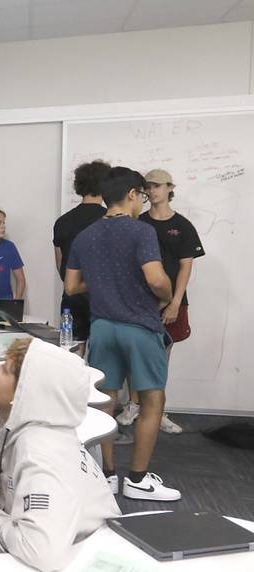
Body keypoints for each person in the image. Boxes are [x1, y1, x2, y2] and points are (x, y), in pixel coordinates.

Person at [0, 338, 121, 572]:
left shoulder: (39, 453)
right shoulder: (13, 414)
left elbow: (41, 553)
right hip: (30, 550)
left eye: (5, 370)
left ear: (25, 393)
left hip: (66, 566)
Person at [65, 166, 180, 502]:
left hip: (102, 329)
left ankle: (107, 475)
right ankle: (138, 479)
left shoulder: (85, 236)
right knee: (152, 401)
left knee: (105, 402)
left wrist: (102, 284)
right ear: (131, 194)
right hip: (139, 328)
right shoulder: (140, 232)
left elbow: (72, 286)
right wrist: (167, 295)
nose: (143, 202)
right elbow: (157, 280)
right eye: (141, 196)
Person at [116, 168, 205, 434]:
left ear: (169, 188)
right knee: (134, 354)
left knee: (160, 358)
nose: (152, 190)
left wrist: (175, 303)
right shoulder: (137, 222)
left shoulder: (184, 226)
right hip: (139, 302)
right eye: (148, 186)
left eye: (157, 185)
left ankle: (157, 409)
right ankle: (133, 405)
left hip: (172, 303)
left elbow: (185, 268)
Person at [53, 160, 110, 348]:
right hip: (105, 300)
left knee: (73, 353)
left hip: (72, 297)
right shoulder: (111, 220)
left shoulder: (63, 221)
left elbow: (61, 264)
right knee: (103, 358)